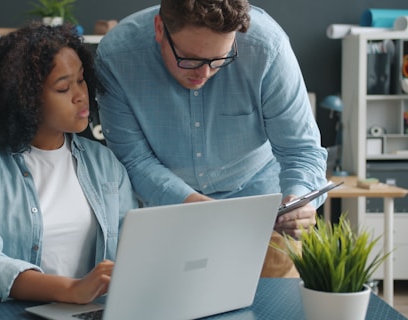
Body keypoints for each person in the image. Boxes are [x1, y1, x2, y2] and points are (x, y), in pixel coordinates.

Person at [95, 0, 328, 277]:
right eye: (190, 59)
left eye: (220, 60)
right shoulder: (117, 56)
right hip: (169, 214)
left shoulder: (268, 48)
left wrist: (300, 200)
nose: (203, 74)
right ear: (160, 29)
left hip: (264, 217)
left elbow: (301, 149)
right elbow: (134, 160)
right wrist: (204, 210)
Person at [0, 22, 138, 303]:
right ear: (24, 100)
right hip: (14, 312)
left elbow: (130, 247)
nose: (80, 95)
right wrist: (71, 290)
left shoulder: (104, 164)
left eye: (82, 79)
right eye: (63, 88)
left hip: (92, 311)